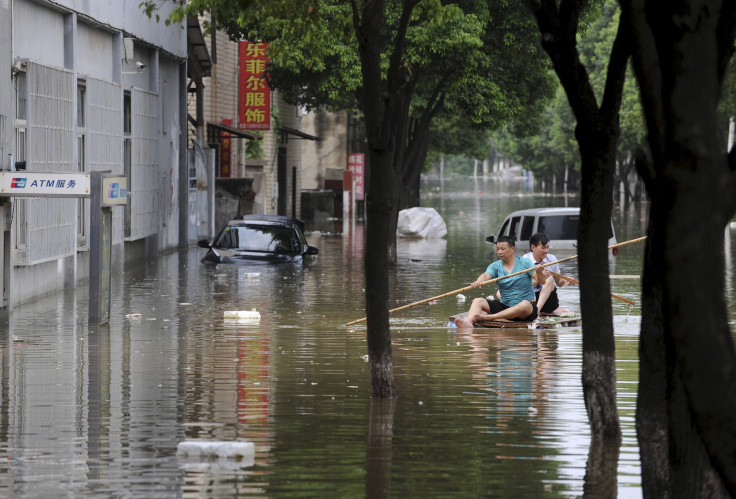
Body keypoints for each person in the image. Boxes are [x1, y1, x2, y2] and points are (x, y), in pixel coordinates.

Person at [454, 236, 545, 328]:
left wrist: (539, 272)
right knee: (477, 301)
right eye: (497, 249)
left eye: (503, 249)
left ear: (512, 249)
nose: (499, 252)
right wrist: (479, 281)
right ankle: (469, 323)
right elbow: (486, 275)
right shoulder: (496, 266)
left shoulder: (525, 262)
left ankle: (490, 317)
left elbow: (542, 281)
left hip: (524, 311)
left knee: (525, 304)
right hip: (505, 306)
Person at [522, 232, 575, 315]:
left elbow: (559, 283)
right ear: (533, 247)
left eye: (547, 247)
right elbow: (522, 287)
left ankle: (536, 312)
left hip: (549, 302)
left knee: (549, 279)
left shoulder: (552, 259)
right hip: (530, 300)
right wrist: (539, 278)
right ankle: (536, 311)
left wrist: (565, 280)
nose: (546, 251)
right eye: (543, 248)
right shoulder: (525, 261)